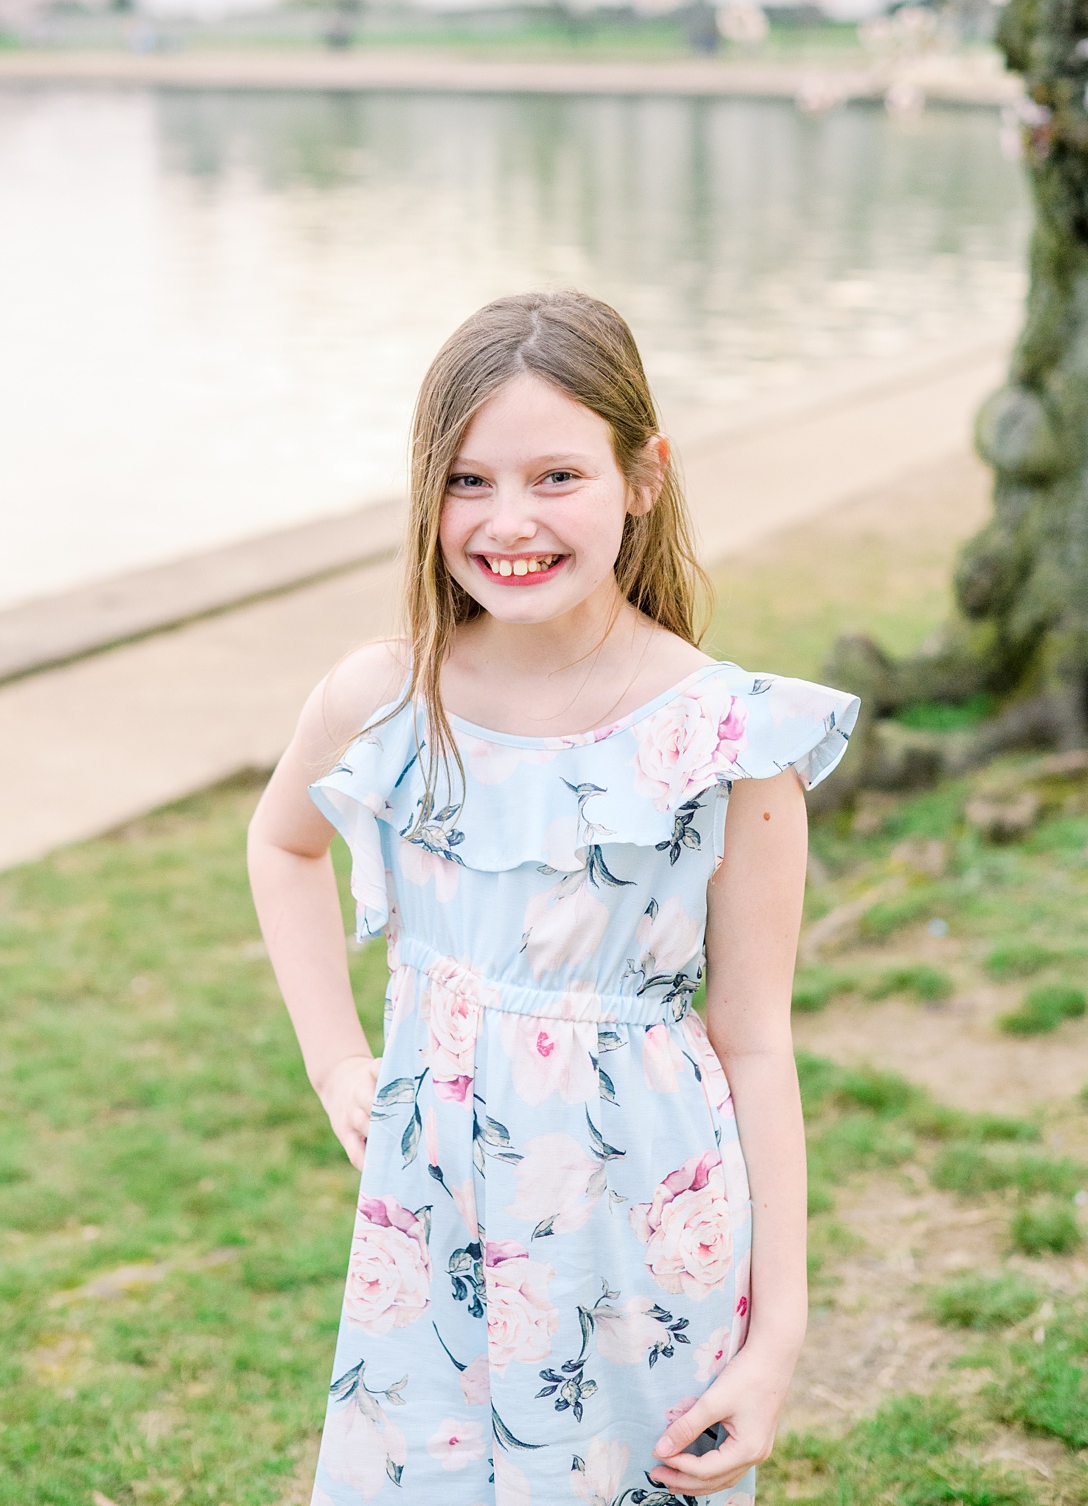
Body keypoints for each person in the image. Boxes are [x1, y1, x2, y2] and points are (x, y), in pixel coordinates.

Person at [247, 292, 856, 1502]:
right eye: (468, 480)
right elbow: (282, 846)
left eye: (557, 474)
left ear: (642, 478)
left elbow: (758, 1045)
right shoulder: (384, 700)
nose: (508, 521)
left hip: (639, 1234)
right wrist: (333, 1058)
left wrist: (775, 1338)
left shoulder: (730, 738)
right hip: (429, 1229)